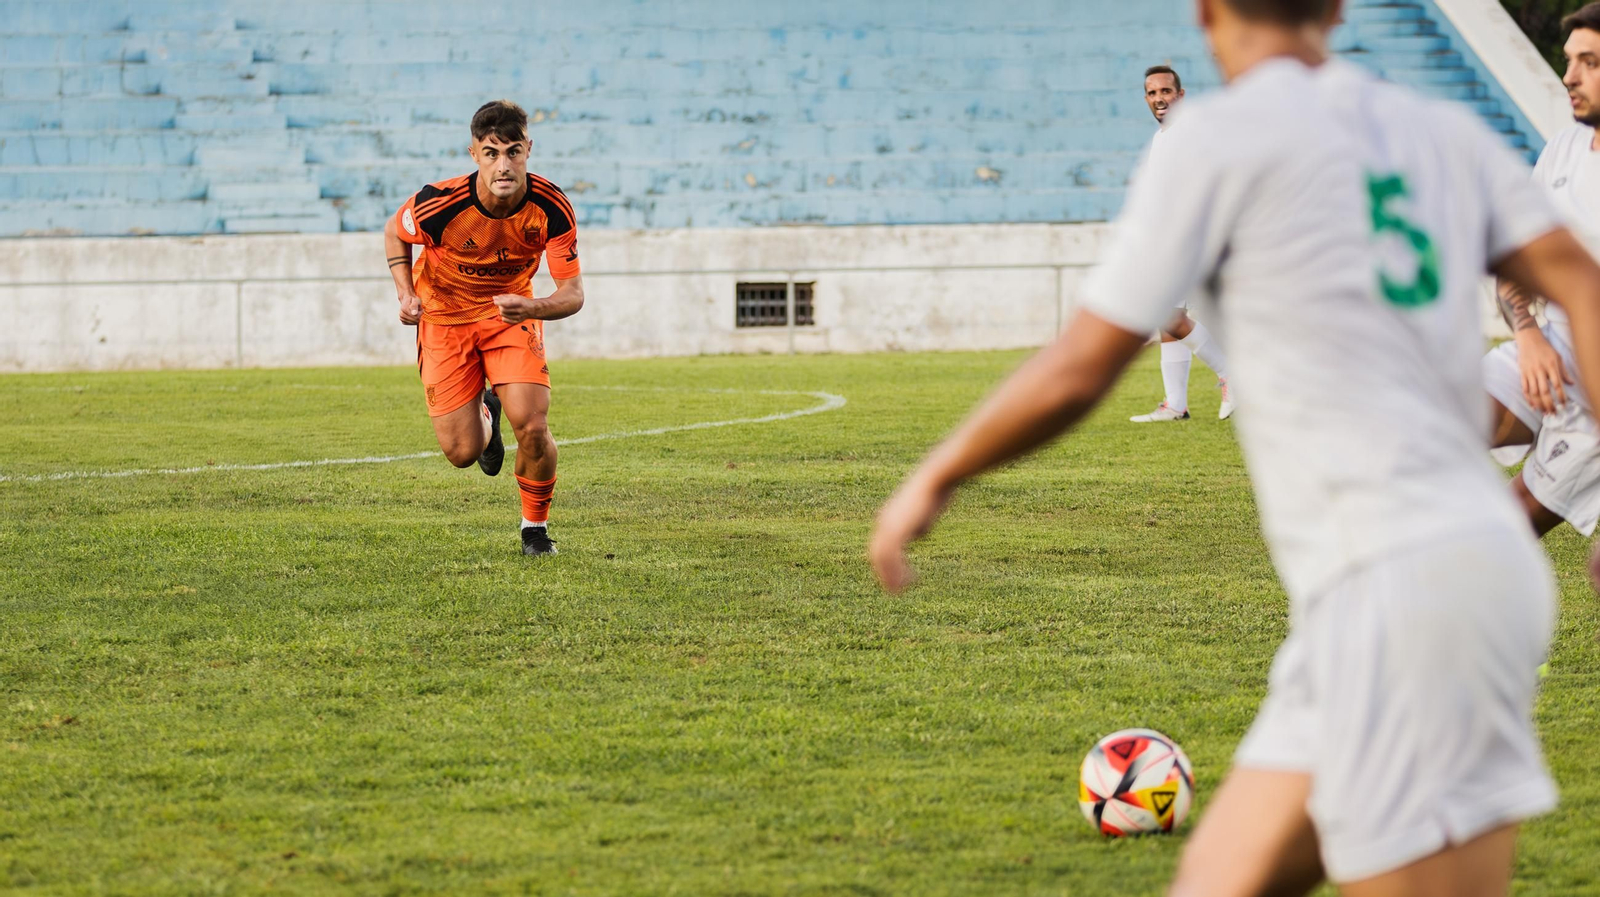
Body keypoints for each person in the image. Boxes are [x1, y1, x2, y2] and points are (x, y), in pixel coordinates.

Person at [869, 0, 1600, 893]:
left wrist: (939, 472)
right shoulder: (1435, 130)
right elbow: (1580, 284)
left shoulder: (1211, 144)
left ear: (1206, 13)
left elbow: (1081, 365)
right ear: (1334, 11)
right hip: (1453, 576)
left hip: (1397, 590)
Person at [384, 99, 584, 557]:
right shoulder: (439, 204)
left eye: (513, 151)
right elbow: (395, 231)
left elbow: (573, 294)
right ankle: (485, 420)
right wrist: (404, 292)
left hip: (507, 316)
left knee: (533, 425)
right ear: (473, 154)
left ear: (528, 149)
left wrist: (531, 306)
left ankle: (534, 530)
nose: (504, 164)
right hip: (444, 317)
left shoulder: (551, 208)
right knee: (461, 453)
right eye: (491, 153)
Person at [1484, 3, 1600, 540]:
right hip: (1545, 347)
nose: (1568, 75)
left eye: (1590, 62)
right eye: (1570, 59)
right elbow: (1513, 258)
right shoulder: (1565, 147)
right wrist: (1529, 337)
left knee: (1504, 532)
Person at [1129, 64, 1235, 423]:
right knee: (1169, 319)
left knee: (1166, 314)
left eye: (1166, 91)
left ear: (1180, 95)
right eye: (1153, 92)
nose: (1159, 98)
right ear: (1146, 98)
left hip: (1185, 238)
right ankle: (1176, 404)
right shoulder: (1165, 135)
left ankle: (1231, 374)